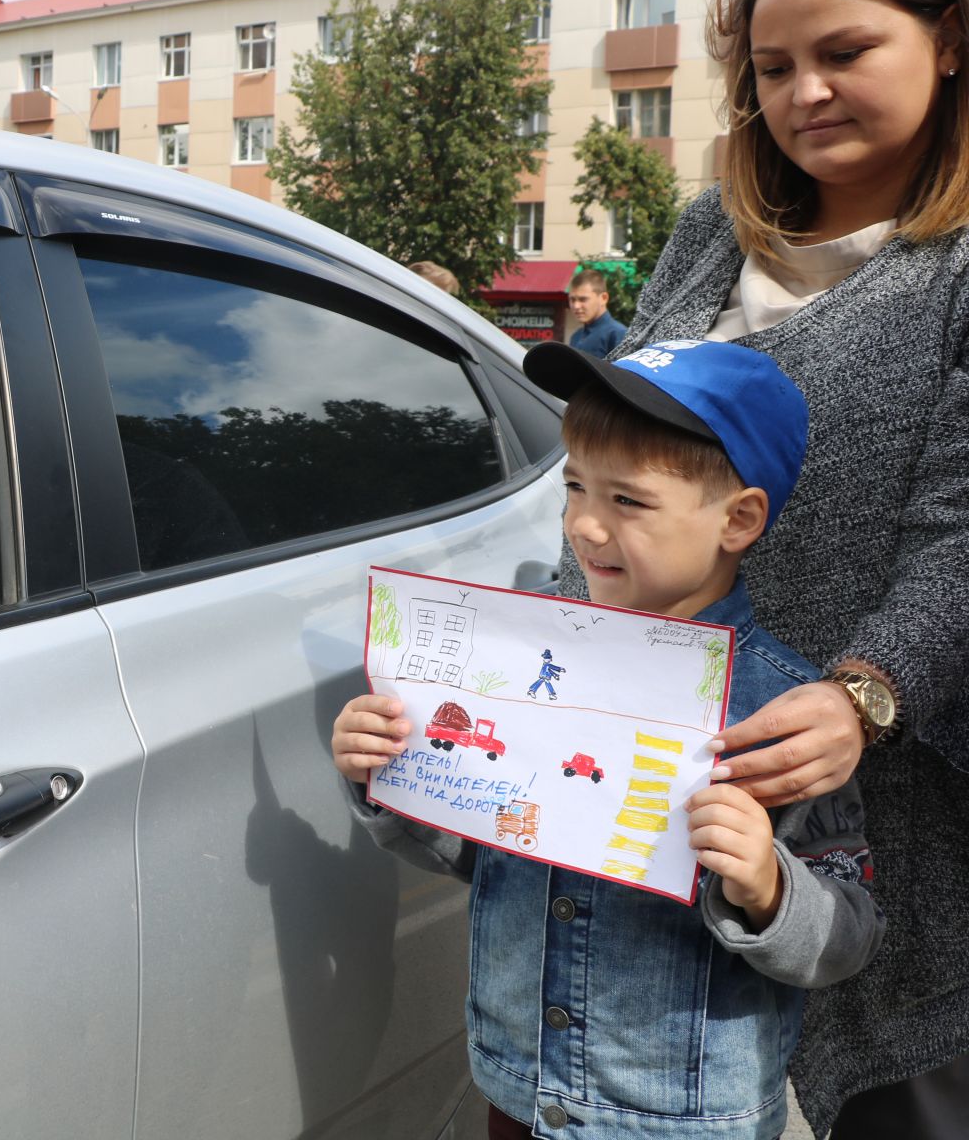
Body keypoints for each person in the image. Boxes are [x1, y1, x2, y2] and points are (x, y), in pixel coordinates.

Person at [558, 0, 969, 1136]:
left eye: (846, 53)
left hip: (885, 801)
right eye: (774, 65)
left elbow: (961, 531)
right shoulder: (705, 230)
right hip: (671, 779)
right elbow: (618, 437)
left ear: (950, 39)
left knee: (893, 1097)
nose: (805, 94)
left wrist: (863, 696)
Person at [333, 339, 882, 1140]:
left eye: (629, 500)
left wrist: (767, 886)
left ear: (739, 519)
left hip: (678, 1122)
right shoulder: (520, 665)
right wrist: (392, 776)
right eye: (575, 486)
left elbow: (850, 938)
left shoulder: (784, 718)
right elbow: (482, 857)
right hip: (517, 1089)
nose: (585, 523)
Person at [564, 269, 625, 357]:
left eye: (583, 299)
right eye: (572, 299)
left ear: (604, 298)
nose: (576, 306)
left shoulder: (618, 334)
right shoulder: (576, 336)